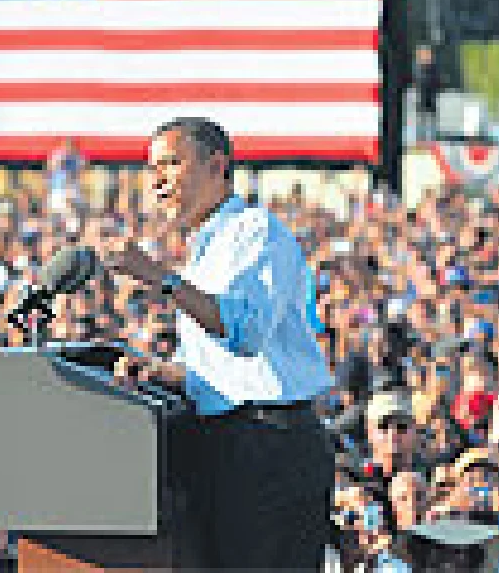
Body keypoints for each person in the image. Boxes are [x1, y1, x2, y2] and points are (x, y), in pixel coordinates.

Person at [105, 117, 335, 568]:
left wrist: (156, 275)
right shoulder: (205, 246)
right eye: (152, 168)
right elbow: (222, 370)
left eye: (171, 163)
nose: (158, 181)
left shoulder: (253, 232)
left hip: (268, 443)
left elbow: (244, 332)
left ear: (217, 166)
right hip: (225, 440)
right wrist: (153, 370)